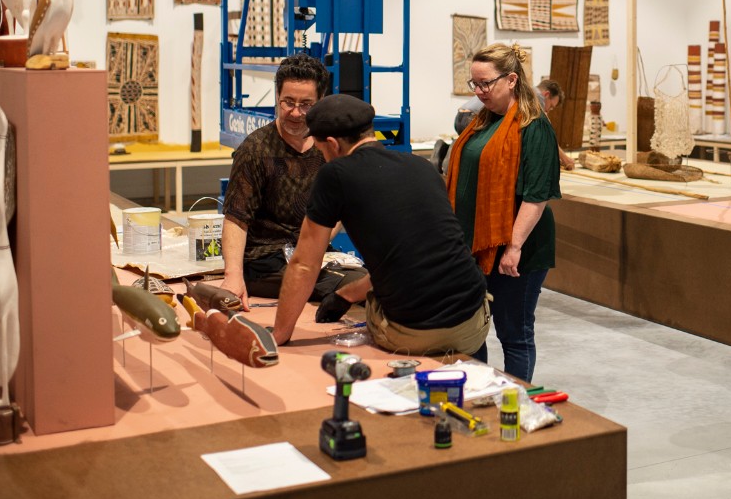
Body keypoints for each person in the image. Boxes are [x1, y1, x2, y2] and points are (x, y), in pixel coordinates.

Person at [271, 95, 491, 351]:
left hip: (414, 333)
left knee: (375, 306)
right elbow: (412, 259)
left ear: (332, 144)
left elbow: (304, 265)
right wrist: (344, 295)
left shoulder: (335, 175)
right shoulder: (420, 166)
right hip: (475, 321)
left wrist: (279, 334)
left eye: (321, 150)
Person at [444, 43, 562, 382]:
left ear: (511, 80)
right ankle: (478, 391)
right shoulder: (482, 122)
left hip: (517, 251)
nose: (478, 91)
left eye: (486, 83)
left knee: (514, 332)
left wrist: (513, 247)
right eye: (474, 84)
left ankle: (516, 401)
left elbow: (537, 195)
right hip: (475, 246)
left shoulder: (533, 127)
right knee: (470, 330)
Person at [221, 53, 338, 309]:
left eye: (306, 104)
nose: (296, 113)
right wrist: (233, 275)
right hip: (265, 261)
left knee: (368, 279)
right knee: (343, 286)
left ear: (320, 101)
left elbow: (344, 205)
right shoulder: (255, 149)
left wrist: (316, 244)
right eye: (288, 102)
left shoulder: (329, 146)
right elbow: (236, 218)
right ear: (277, 96)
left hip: (314, 255)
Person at [536, 78, 577, 170]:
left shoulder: (528, 93)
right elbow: (547, 135)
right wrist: (565, 159)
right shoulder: (537, 98)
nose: (548, 110)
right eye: (551, 106)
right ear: (546, 95)